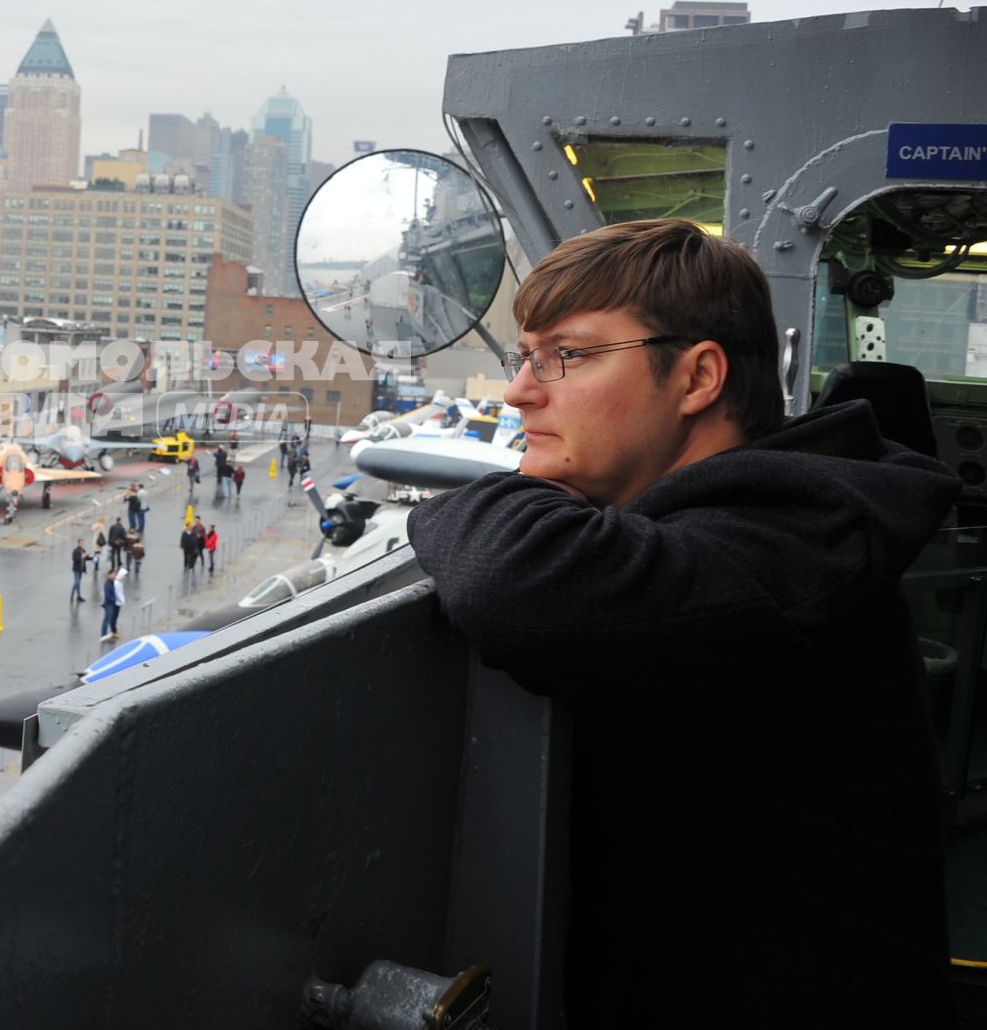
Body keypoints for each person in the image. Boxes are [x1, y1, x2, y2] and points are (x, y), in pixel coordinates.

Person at [408, 217, 957, 1029]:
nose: (522, 390)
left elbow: (509, 576)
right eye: (524, 357)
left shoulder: (781, 546)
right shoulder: (766, 523)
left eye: (569, 354)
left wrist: (518, 497)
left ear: (698, 376)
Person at [100, 568, 123, 642]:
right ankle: (103, 635)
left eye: (115, 575)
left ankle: (106, 634)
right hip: (109, 604)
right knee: (107, 620)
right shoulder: (108, 584)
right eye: (113, 575)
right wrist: (115, 599)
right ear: (109, 575)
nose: (114, 576)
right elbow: (108, 595)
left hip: (111, 604)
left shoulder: (112, 582)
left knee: (109, 619)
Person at [70, 538, 91, 603]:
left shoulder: (83, 550)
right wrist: (81, 557)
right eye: (81, 543)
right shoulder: (75, 550)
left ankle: (78, 596)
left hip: (81, 569)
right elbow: (74, 558)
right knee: (76, 582)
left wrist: (93, 558)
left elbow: (87, 558)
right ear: (78, 543)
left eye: (83, 543)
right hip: (76, 569)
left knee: (78, 583)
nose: (82, 544)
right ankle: (72, 595)